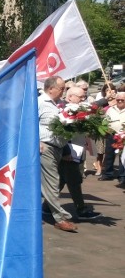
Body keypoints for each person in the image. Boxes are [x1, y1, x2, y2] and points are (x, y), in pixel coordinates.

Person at [38, 76, 77, 232]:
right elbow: (28, 122)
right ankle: (60, 218)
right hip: (45, 147)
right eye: (62, 88)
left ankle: (44, 209)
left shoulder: (57, 105)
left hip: (58, 148)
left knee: (52, 182)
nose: (64, 91)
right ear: (51, 88)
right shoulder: (40, 103)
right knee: (53, 182)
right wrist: (37, 141)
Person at [57, 87, 100, 220]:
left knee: (62, 181)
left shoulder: (80, 110)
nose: (83, 99)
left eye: (84, 96)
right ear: (69, 97)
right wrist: (66, 151)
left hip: (77, 150)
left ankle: (46, 206)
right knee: (74, 181)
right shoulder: (64, 111)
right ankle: (81, 210)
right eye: (80, 97)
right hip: (69, 152)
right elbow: (62, 133)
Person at [101, 91, 125, 185]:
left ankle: (122, 176)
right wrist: (105, 129)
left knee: (122, 157)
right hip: (111, 134)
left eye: (122, 100)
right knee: (109, 155)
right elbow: (105, 120)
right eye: (118, 99)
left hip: (123, 136)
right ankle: (107, 174)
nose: (119, 101)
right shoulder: (111, 109)